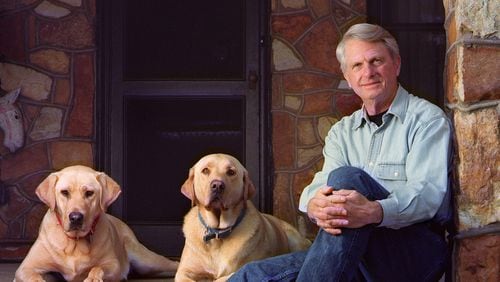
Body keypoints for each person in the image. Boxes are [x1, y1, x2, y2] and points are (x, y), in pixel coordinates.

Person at [229, 23, 453, 281]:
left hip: (413, 253)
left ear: (397, 65)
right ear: (347, 77)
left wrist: (373, 211)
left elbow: (428, 197)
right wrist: (315, 204)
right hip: (357, 251)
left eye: (376, 61)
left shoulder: (427, 120)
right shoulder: (342, 132)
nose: (367, 72)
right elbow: (321, 185)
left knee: (347, 179)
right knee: (250, 275)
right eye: (357, 65)